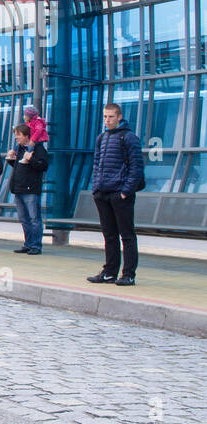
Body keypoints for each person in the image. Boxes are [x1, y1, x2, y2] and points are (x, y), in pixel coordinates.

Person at [87, 102, 144, 286]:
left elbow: (136, 168)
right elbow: (96, 164)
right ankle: (109, 272)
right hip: (102, 193)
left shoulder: (129, 138)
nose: (107, 120)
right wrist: (96, 188)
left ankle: (128, 274)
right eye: (105, 116)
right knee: (109, 235)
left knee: (127, 235)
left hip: (120, 194)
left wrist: (125, 192)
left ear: (119, 117)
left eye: (111, 116)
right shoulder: (101, 138)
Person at [6, 123, 48, 255]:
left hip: (30, 189)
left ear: (26, 135)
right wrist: (11, 160)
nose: (16, 138)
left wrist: (31, 159)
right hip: (19, 188)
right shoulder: (20, 149)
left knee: (34, 218)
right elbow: (20, 167)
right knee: (24, 218)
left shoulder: (38, 149)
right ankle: (28, 243)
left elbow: (43, 166)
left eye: (18, 135)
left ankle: (36, 245)